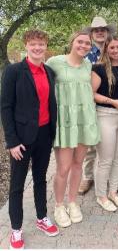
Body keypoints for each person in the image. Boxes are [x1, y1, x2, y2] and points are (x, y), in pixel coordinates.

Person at [1, 30, 59, 249]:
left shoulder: (50, 72)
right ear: (26, 45)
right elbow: (5, 107)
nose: (37, 48)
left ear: (46, 46)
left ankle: (42, 217)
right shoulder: (14, 71)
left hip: (44, 135)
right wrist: (12, 141)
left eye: (41, 44)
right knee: (16, 185)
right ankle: (16, 229)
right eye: (33, 44)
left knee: (40, 179)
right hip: (22, 139)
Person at [46, 30, 100, 228]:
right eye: (80, 42)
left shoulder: (88, 65)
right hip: (65, 122)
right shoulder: (54, 62)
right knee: (63, 167)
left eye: (87, 43)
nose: (84, 46)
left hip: (84, 120)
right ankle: (59, 206)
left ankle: (72, 202)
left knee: (78, 164)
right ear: (72, 42)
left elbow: (93, 88)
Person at [91, 36, 118, 212]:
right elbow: (92, 93)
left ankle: (113, 192)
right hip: (105, 116)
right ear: (106, 49)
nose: (116, 50)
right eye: (112, 47)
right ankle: (101, 195)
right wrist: (112, 101)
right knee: (106, 160)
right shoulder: (98, 68)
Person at [79, 16, 116, 195]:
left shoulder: (114, 50)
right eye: (96, 30)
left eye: (103, 29)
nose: (100, 32)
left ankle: (108, 177)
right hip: (88, 103)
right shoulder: (84, 52)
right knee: (89, 144)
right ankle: (87, 177)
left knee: (108, 143)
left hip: (108, 106)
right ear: (92, 33)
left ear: (107, 32)